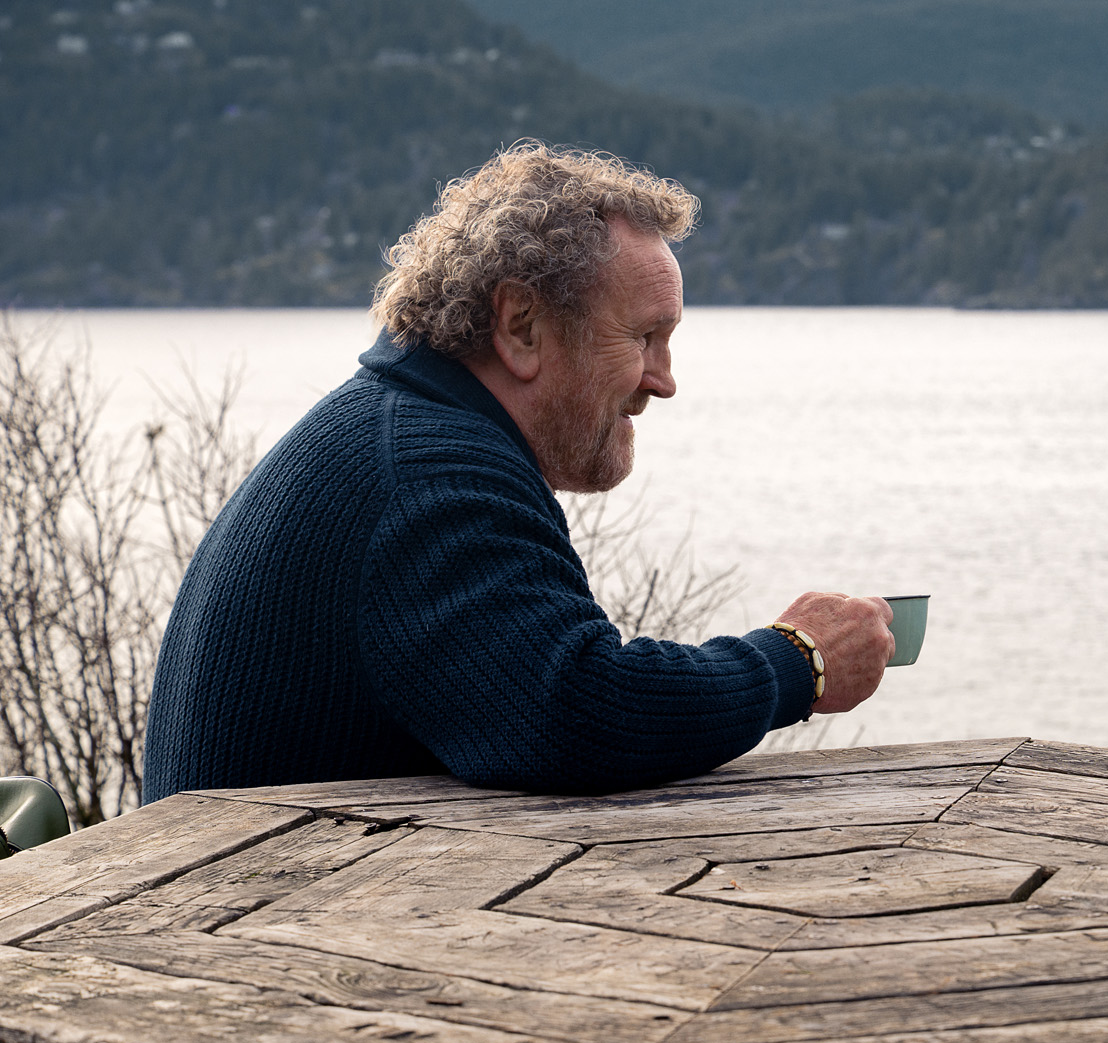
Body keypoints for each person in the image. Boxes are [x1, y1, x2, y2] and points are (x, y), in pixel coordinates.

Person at [143, 142, 895, 802]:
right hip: (241, 938)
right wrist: (799, 660)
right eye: (644, 337)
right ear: (521, 327)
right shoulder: (429, 476)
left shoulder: (403, 430)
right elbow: (579, 712)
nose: (663, 380)